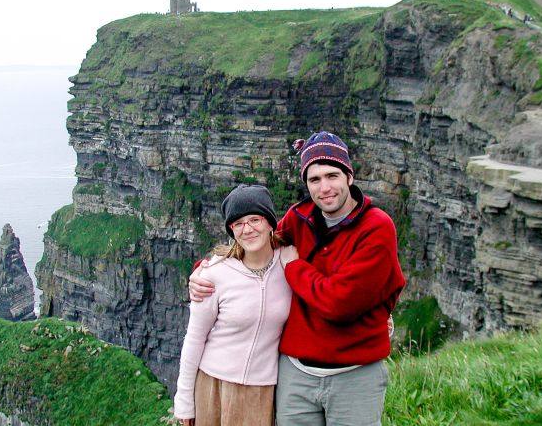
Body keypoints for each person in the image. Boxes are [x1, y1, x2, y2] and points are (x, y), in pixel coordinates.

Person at [191, 131, 406, 425]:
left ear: (349, 177)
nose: (325, 187)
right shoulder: (298, 217)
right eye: (314, 180)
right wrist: (205, 270)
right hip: (296, 373)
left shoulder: (377, 227)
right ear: (306, 184)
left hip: (355, 373)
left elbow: (339, 303)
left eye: (332, 176)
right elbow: (257, 246)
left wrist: (295, 269)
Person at [174, 185, 292, 426]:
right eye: (238, 223)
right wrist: (185, 402)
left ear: (270, 223)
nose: (247, 229)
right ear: (231, 230)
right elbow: (194, 339)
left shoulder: (291, 263)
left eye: (255, 219)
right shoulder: (214, 274)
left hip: (261, 391)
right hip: (212, 387)